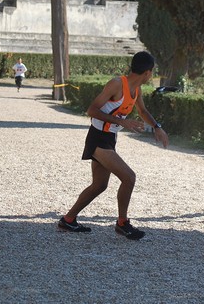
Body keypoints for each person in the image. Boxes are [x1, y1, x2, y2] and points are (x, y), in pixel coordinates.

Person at [58, 51, 169, 240]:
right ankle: (122, 223)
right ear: (148, 72)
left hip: (110, 138)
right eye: (152, 72)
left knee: (99, 185)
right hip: (98, 137)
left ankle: (68, 220)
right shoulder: (117, 84)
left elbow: (142, 111)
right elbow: (91, 110)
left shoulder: (137, 90)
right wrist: (124, 123)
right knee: (129, 177)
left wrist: (157, 127)